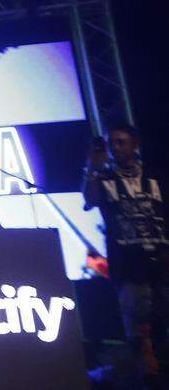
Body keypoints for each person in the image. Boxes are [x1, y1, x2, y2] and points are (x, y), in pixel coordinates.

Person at [83, 123, 169, 382]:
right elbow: (90, 200)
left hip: (162, 257)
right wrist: (93, 167)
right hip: (127, 261)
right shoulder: (105, 178)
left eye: (121, 142)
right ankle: (148, 374)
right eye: (112, 143)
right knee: (136, 324)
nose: (116, 148)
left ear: (135, 144)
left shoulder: (155, 176)